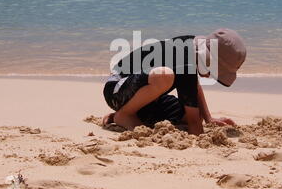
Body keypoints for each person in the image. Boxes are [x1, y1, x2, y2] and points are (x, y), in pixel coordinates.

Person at [102, 28, 246, 135]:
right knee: (164, 75)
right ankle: (125, 114)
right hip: (117, 88)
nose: (212, 77)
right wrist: (198, 131)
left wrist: (208, 118)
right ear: (207, 58)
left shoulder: (193, 49)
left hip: (146, 98)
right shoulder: (185, 60)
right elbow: (194, 124)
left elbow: (192, 87)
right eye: (215, 71)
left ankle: (120, 115)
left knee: (187, 114)